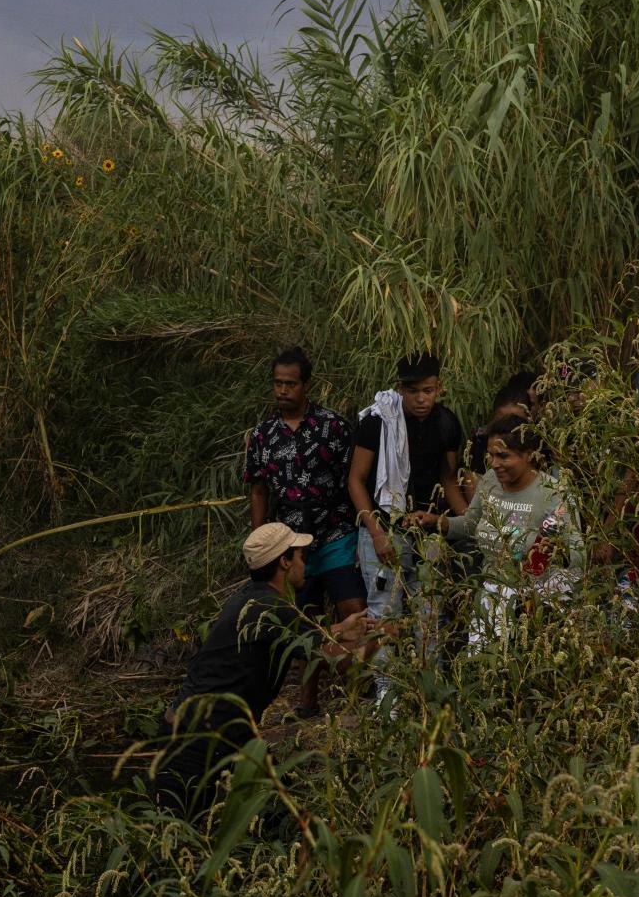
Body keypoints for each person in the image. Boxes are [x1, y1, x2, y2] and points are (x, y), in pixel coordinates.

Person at [152, 524, 384, 819]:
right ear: (284, 562)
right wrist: (386, 635)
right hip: (199, 742)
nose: (305, 564)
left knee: (281, 817)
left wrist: (341, 627)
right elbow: (341, 663)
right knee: (180, 835)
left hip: (217, 734)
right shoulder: (273, 608)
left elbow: (297, 635)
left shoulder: (253, 598)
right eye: (300, 556)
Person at [243, 347, 365, 717]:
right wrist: (260, 544)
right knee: (305, 620)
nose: (283, 391)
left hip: (335, 533)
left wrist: (364, 532)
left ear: (306, 385)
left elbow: (354, 480)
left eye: (290, 384)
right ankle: (308, 701)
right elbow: (259, 490)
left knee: (353, 608)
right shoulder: (263, 435)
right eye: (278, 384)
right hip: (291, 543)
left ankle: (357, 696)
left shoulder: (333, 426)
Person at [413, 416, 583, 650]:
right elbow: (472, 524)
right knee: (483, 668)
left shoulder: (554, 493)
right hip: (491, 593)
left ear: (528, 455)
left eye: (503, 456)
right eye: (491, 456)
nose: (494, 464)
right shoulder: (491, 481)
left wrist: (543, 554)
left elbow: (577, 556)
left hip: (534, 602)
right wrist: (438, 522)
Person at [348, 353, 469, 642]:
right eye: (412, 391)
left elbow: (448, 479)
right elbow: (355, 480)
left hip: (426, 528)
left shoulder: (446, 423)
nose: (421, 399)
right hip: (382, 526)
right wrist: (376, 534)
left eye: (427, 391)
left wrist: (469, 522)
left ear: (438, 388)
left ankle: (431, 685)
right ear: (400, 389)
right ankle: (386, 688)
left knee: (430, 614)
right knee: (382, 614)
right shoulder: (378, 423)